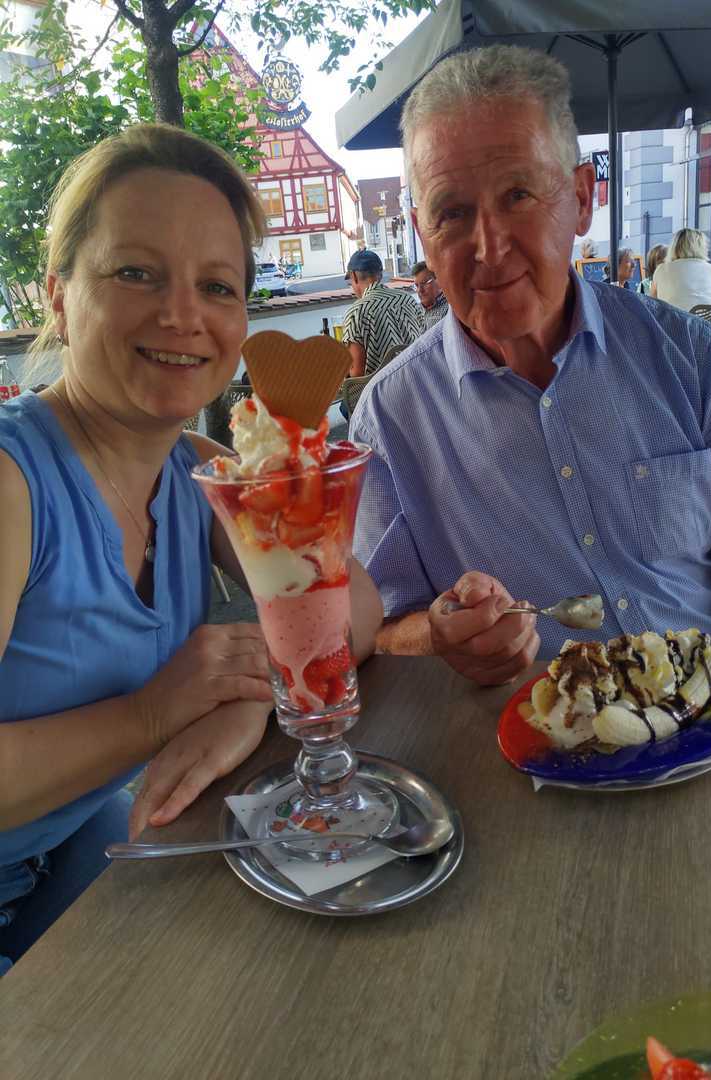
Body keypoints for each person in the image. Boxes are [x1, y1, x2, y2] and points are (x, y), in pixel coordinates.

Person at [0, 123, 383, 973]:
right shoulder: (11, 483)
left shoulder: (199, 471)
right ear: (58, 295)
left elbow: (355, 605)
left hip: (72, 851)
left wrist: (254, 702)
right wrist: (153, 713)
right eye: (135, 273)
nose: (182, 315)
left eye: (216, 285)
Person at [349, 43, 711, 688]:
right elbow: (375, 630)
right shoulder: (390, 420)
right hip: (518, 742)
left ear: (582, 197)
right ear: (422, 230)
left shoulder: (691, 359)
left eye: (517, 194)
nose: (489, 246)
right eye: (451, 211)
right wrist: (440, 636)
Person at [342, 249, 423, 378]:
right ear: (379, 275)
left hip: (382, 389)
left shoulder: (356, 312)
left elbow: (357, 373)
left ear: (354, 276)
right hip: (418, 380)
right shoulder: (408, 300)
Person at [650, 228, 711, 310]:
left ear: (674, 247)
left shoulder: (662, 269)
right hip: (708, 318)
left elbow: (652, 302)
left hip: (674, 318)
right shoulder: (710, 269)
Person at [411, 260, 449, 332]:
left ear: (439, 281)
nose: (420, 290)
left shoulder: (450, 312)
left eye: (424, 283)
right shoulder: (416, 310)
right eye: (416, 285)